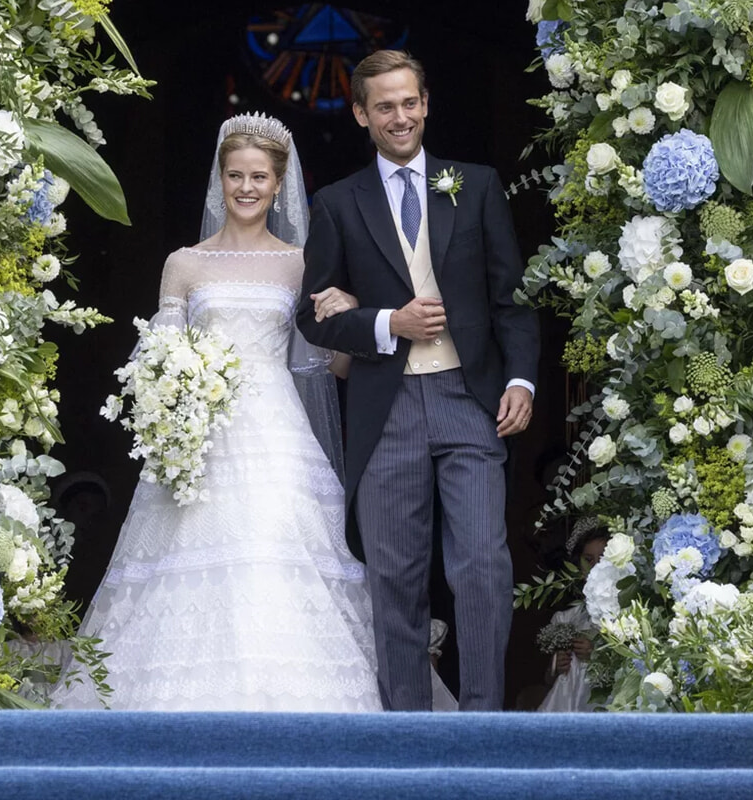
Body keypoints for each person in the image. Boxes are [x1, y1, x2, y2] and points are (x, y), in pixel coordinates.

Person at [53, 113, 381, 711]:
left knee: (274, 551)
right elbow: (156, 359)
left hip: (277, 436)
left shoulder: (300, 263)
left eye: (259, 177)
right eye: (236, 175)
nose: (247, 187)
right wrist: (173, 395)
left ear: (279, 184)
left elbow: (332, 366)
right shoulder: (184, 263)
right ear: (220, 179)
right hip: (197, 437)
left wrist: (349, 313)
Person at [297, 49, 541, 711]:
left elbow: (512, 300)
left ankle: (482, 722)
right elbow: (312, 317)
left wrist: (521, 380)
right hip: (387, 406)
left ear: (426, 104)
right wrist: (387, 323)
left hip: (470, 397)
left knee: (483, 564)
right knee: (396, 576)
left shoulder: (477, 185)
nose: (400, 117)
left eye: (409, 102)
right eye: (385, 107)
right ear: (361, 115)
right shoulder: (338, 203)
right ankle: (408, 732)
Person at [538, 518, 607, 712]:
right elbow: (549, 679)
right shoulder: (567, 618)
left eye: (603, 558)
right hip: (566, 703)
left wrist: (597, 655)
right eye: (588, 559)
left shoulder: (626, 616)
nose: (596, 566)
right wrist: (556, 665)